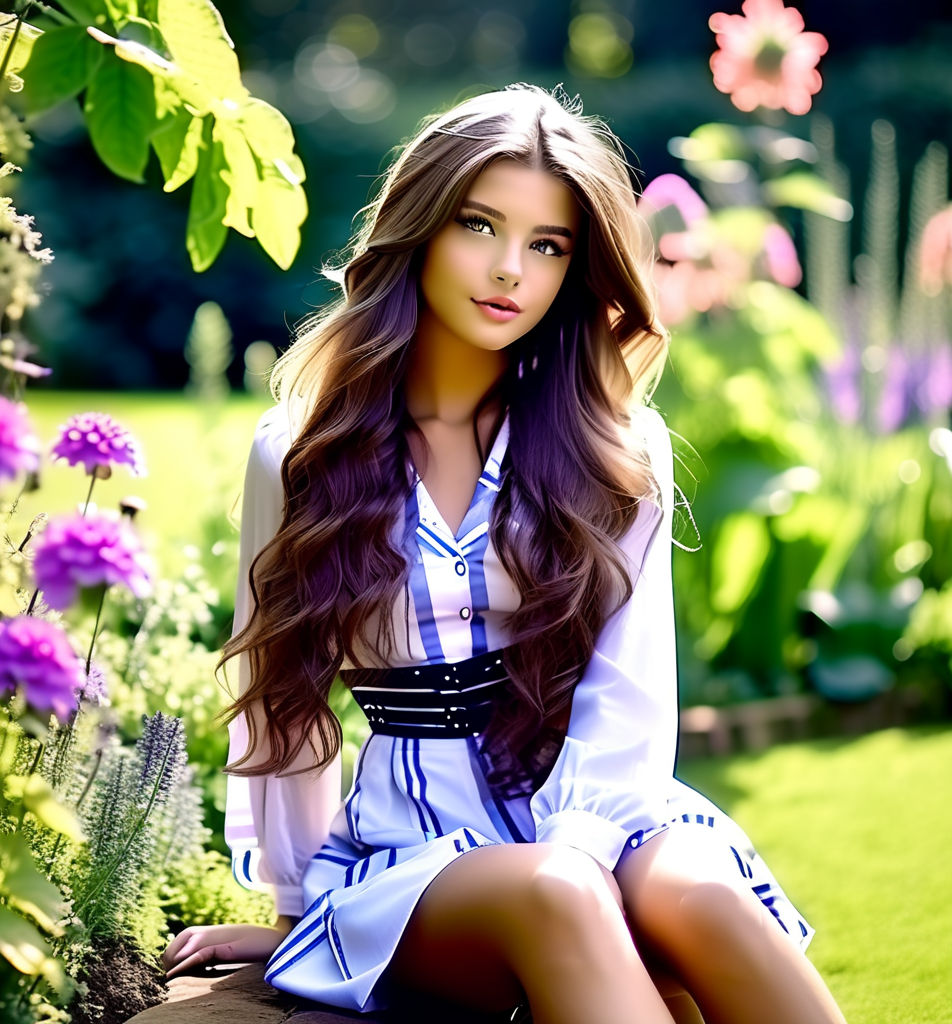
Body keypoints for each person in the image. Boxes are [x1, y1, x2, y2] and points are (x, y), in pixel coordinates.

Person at [163, 85, 847, 1024]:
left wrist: (582, 845)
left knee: (703, 897)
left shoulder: (614, 449)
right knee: (556, 894)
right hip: (415, 853)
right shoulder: (299, 453)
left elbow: (627, 698)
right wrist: (292, 905)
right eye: (479, 225)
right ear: (422, 230)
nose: (509, 270)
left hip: (604, 811)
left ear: (577, 268)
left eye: (548, 245)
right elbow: (283, 696)